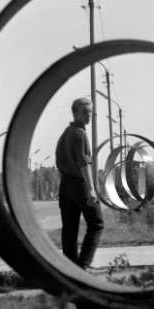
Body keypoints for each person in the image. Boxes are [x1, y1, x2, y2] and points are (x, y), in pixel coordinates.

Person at [55, 98, 104, 269]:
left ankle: (70, 269)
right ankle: (82, 267)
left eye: (91, 111)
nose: (89, 115)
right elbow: (84, 163)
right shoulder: (80, 133)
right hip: (78, 183)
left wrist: (66, 183)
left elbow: (59, 161)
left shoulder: (67, 132)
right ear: (75, 113)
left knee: (69, 228)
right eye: (84, 112)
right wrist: (91, 189)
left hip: (65, 185)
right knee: (96, 223)